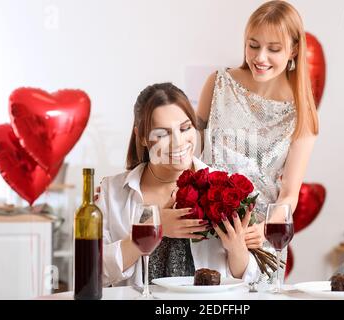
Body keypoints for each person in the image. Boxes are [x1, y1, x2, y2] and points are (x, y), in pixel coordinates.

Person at [197, 1, 319, 280]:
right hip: (205, 229)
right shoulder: (217, 84)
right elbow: (187, 153)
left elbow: (289, 194)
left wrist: (264, 229)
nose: (260, 57)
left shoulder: (302, 113)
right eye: (253, 45)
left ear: (294, 49)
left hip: (258, 240)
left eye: (273, 49)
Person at [97, 83, 259, 287]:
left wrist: (237, 248)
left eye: (185, 128)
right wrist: (153, 229)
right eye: (162, 134)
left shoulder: (223, 189)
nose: (178, 142)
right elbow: (94, 273)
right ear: (142, 137)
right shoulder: (111, 192)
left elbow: (249, 280)